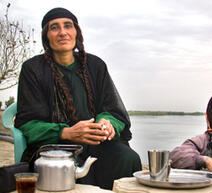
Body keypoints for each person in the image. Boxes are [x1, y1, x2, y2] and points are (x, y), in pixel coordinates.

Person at [14, 7, 142, 190]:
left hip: (96, 143)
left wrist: (106, 123)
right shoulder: (33, 69)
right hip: (55, 147)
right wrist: (66, 132)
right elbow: (27, 123)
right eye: (54, 27)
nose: (62, 32)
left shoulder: (95, 65)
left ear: (77, 32)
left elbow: (113, 110)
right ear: (46, 36)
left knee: (128, 158)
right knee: (67, 168)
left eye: (68, 26)